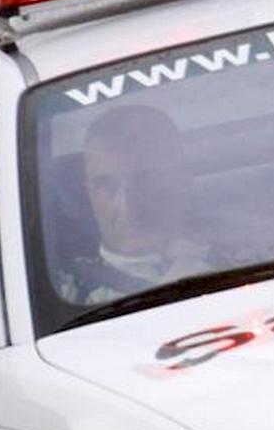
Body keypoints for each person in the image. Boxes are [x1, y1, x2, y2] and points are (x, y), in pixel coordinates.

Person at [53, 105, 211, 305]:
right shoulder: (66, 298)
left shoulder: (249, 260)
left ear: (183, 182)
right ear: (89, 194)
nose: (128, 205)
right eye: (106, 186)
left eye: (145, 181)